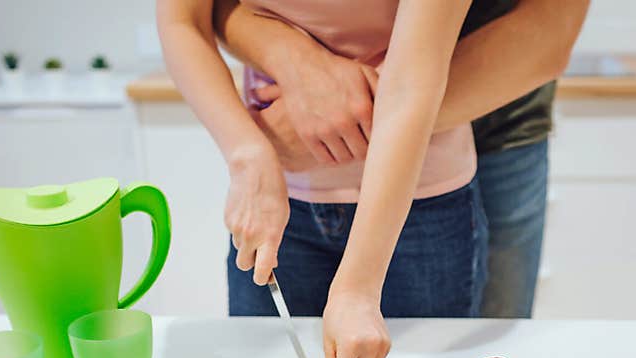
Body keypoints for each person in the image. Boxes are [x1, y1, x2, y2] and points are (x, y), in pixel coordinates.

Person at [157, 0, 479, 358]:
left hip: (425, 201)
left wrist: (359, 290)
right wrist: (248, 154)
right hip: (280, 202)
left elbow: (410, 84)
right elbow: (182, 22)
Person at [214, 0, 589, 318]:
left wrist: (344, 117)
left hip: (493, 126)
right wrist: (294, 58)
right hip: (304, 162)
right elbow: (203, 13)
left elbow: (550, 28)